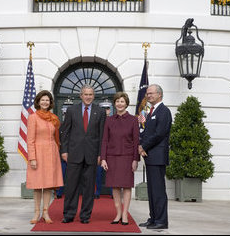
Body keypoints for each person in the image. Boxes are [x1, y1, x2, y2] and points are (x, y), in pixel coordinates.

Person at [60, 84, 106, 224]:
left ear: (94, 96)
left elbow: (102, 135)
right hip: (73, 154)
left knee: (89, 188)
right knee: (71, 186)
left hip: (92, 155)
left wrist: (100, 154)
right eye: (85, 94)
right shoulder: (71, 110)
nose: (88, 97)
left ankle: (85, 216)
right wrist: (64, 151)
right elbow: (65, 133)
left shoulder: (100, 111)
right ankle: (68, 214)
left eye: (90, 94)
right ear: (81, 95)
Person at [100, 92, 140, 225]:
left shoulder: (133, 120)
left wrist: (135, 159)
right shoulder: (109, 120)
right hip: (111, 157)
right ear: (114, 103)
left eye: (122, 101)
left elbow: (136, 141)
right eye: (117, 101)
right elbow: (105, 140)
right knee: (115, 187)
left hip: (128, 158)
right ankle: (117, 213)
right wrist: (104, 158)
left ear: (126, 103)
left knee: (126, 186)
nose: (119, 104)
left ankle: (125, 214)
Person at [26, 90, 63, 224]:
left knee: (48, 185)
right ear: (38, 102)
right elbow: (30, 140)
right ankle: (36, 213)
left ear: (50, 102)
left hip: (52, 153)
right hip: (38, 153)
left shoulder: (53, 118)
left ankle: (46, 213)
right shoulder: (33, 117)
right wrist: (32, 158)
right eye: (43, 100)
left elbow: (56, 137)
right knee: (38, 185)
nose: (45, 102)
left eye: (47, 100)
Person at [138, 84, 172, 230]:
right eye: (147, 93)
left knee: (158, 190)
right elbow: (146, 132)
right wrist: (141, 145)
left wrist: (143, 146)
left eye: (151, 93)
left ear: (159, 94)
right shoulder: (150, 111)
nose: (148, 96)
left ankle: (161, 220)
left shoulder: (164, 111)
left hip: (157, 156)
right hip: (150, 156)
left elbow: (159, 134)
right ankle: (153, 218)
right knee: (152, 190)